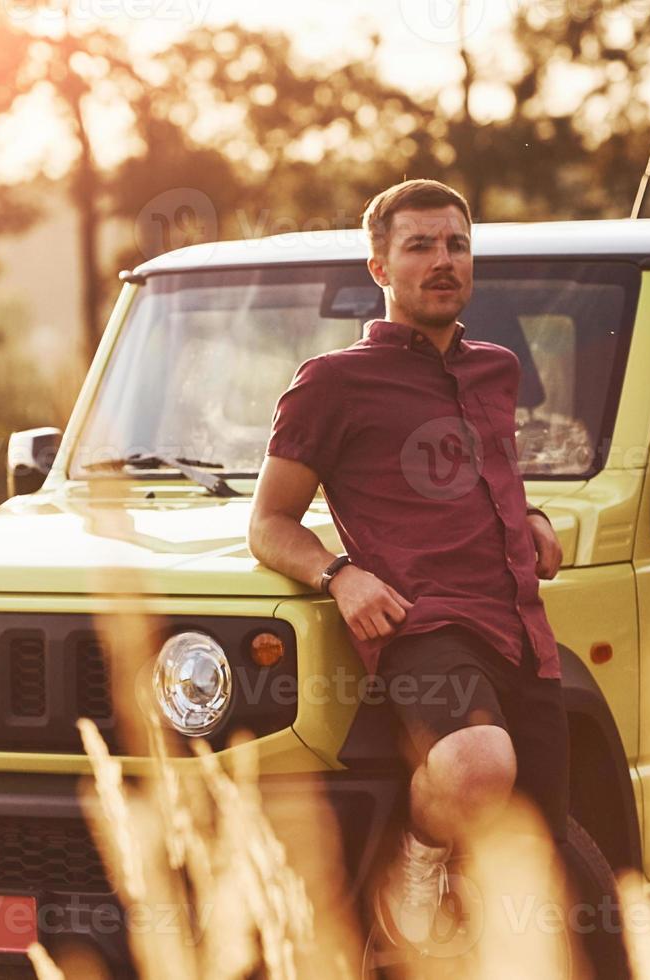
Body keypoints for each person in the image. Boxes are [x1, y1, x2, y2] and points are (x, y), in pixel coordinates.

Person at [246, 178, 567, 949]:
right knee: (476, 764)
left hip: (520, 628)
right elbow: (268, 522)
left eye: (456, 244)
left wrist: (531, 518)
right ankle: (416, 858)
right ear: (380, 267)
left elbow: (489, 478)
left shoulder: (496, 369)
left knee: (538, 864)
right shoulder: (330, 383)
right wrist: (338, 574)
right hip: (422, 625)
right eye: (419, 245)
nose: (442, 260)